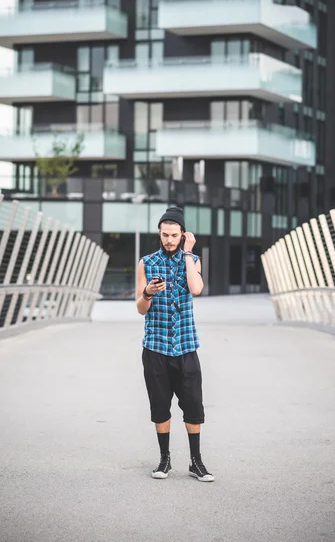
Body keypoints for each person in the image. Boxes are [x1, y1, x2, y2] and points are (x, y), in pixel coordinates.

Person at [136, 206, 214, 483]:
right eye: (165, 234)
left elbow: (195, 289)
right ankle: (164, 459)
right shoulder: (146, 262)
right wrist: (147, 292)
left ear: (183, 234)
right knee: (160, 406)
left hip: (185, 346)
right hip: (155, 347)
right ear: (159, 233)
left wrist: (190, 254)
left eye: (174, 235)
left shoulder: (191, 260)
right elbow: (140, 309)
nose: (169, 239)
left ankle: (196, 462)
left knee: (193, 406)